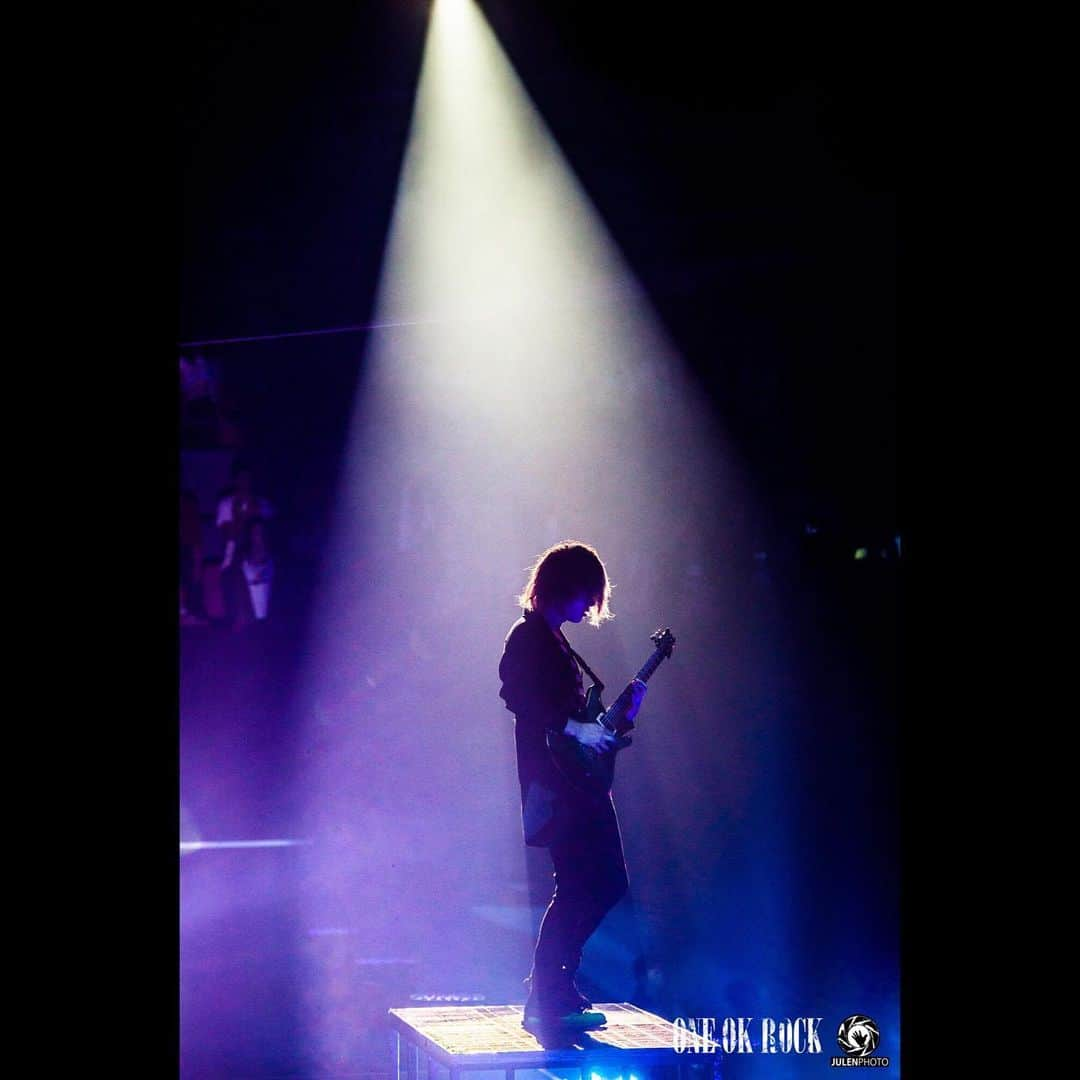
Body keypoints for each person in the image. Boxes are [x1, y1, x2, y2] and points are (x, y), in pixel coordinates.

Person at [498, 541, 647, 1033]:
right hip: (556, 787)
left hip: (577, 783)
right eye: (588, 593)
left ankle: (552, 986)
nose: (591, 605)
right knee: (587, 884)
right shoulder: (528, 636)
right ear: (563, 586)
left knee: (601, 883)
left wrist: (613, 722)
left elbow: (576, 720)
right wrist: (575, 728)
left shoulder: (557, 641)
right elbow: (516, 695)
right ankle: (548, 991)